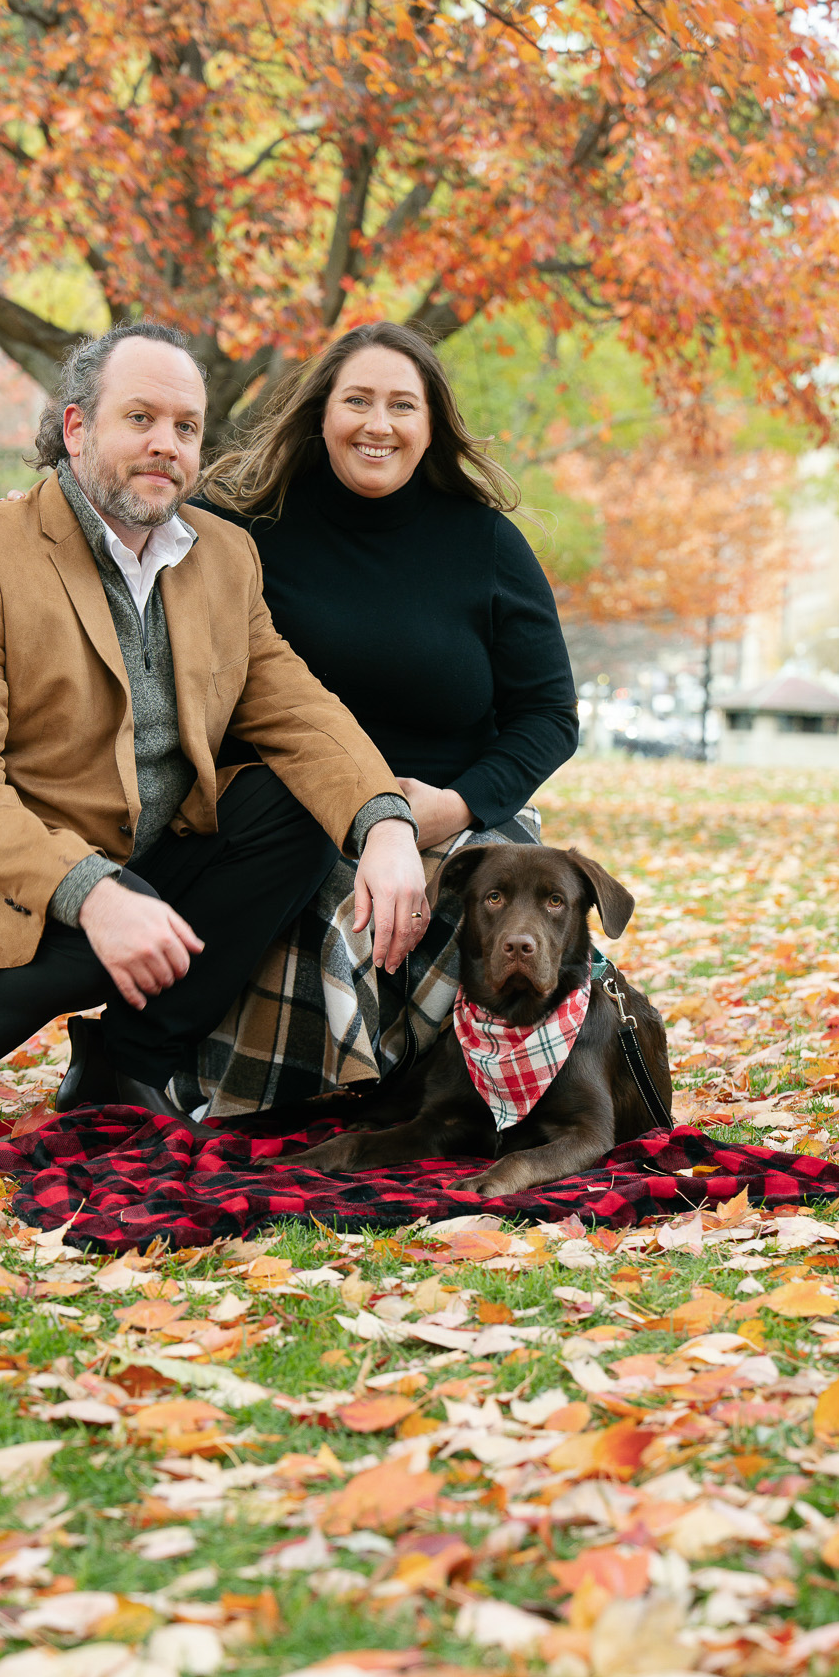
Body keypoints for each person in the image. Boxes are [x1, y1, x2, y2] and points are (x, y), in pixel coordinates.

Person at [0, 322, 428, 1157]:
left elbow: (298, 712)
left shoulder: (222, 557)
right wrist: (96, 892)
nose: (166, 445)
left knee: (294, 808)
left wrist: (385, 824)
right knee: (114, 920)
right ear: (76, 427)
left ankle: (122, 1069)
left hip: (131, 854)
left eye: (186, 427)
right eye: (140, 419)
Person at [190, 319, 579, 1115]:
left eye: (402, 405)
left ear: (430, 426)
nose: (378, 424)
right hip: (294, 807)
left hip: (456, 809)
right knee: (324, 899)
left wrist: (457, 805)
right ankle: (309, 1102)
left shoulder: (486, 544)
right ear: (319, 414)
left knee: (489, 904)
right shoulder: (241, 528)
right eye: (357, 400)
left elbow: (548, 714)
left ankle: (459, 1100)